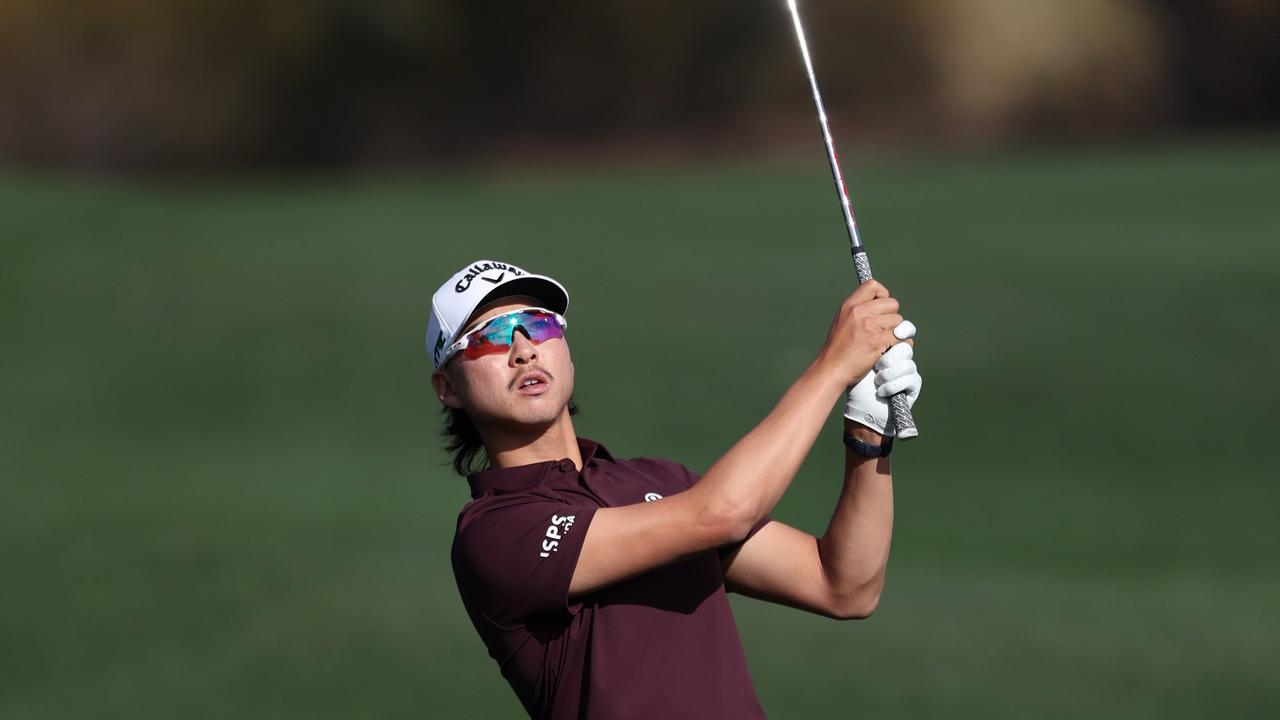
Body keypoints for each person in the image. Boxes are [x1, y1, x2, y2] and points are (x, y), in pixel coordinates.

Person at [427, 259, 922, 719]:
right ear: (447, 388)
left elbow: (843, 586)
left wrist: (868, 429)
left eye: (539, 324)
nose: (523, 348)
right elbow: (724, 512)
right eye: (489, 337)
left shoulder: (660, 482)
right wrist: (833, 368)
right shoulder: (495, 532)